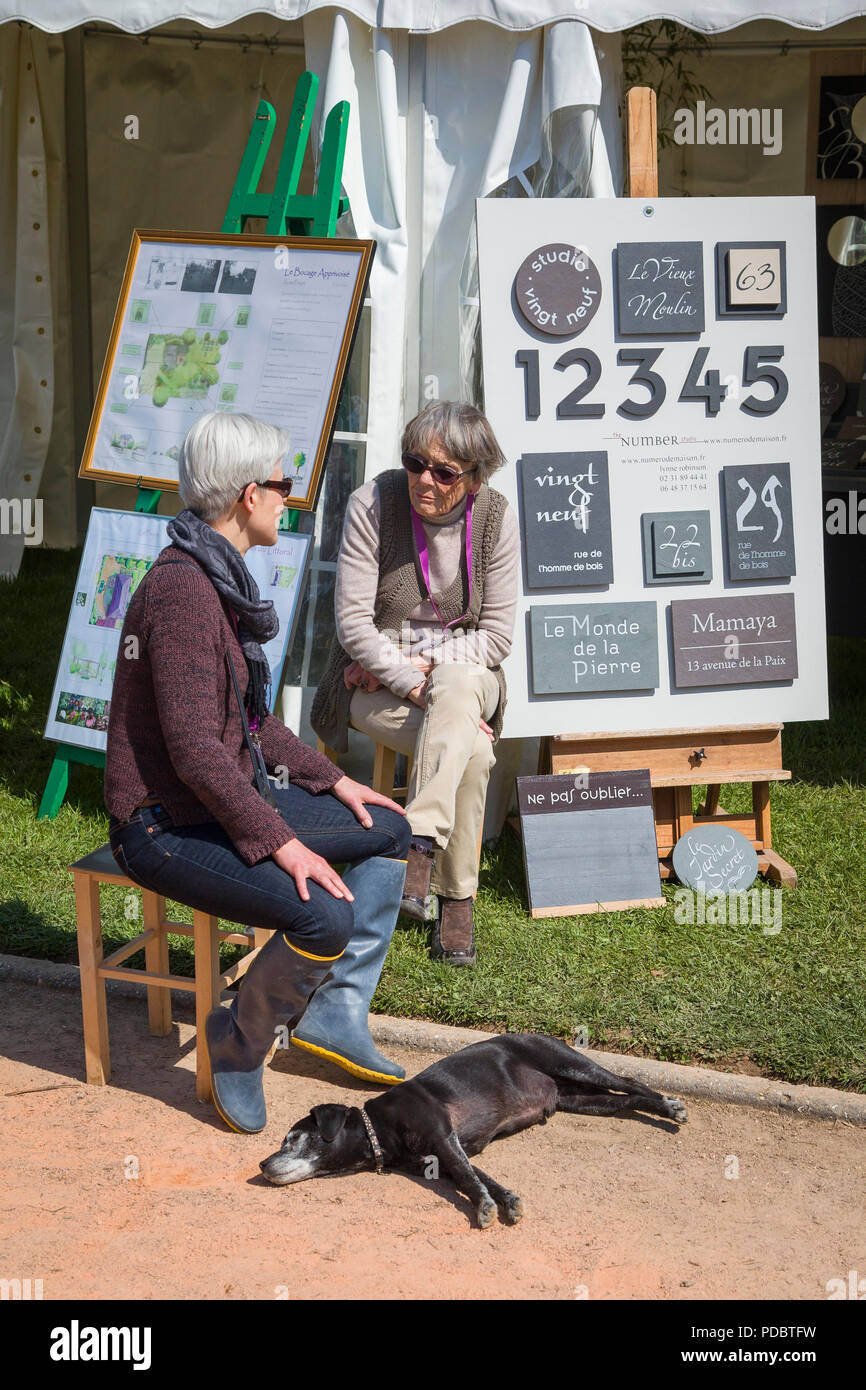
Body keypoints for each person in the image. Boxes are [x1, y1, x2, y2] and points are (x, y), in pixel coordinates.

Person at [105, 412, 412, 1135]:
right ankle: (238, 1042)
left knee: (388, 827)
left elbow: (249, 724)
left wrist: (333, 781)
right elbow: (194, 750)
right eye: (282, 484)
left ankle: (333, 1015)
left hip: (219, 798)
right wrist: (283, 840)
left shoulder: (216, 576)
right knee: (323, 913)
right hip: (162, 822)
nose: (290, 498)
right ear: (249, 494)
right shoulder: (183, 592)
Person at [311, 401, 518, 967]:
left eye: (445, 472)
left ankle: (419, 840)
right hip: (384, 681)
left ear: (475, 477)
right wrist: (415, 680)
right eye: (415, 463)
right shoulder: (372, 504)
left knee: (458, 677)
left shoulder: (496, 518)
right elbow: (354, 623)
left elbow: (496, 636)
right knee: (473, 751)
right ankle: (456, 901)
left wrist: (435, 666)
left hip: (465, 676)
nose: (425, 480)